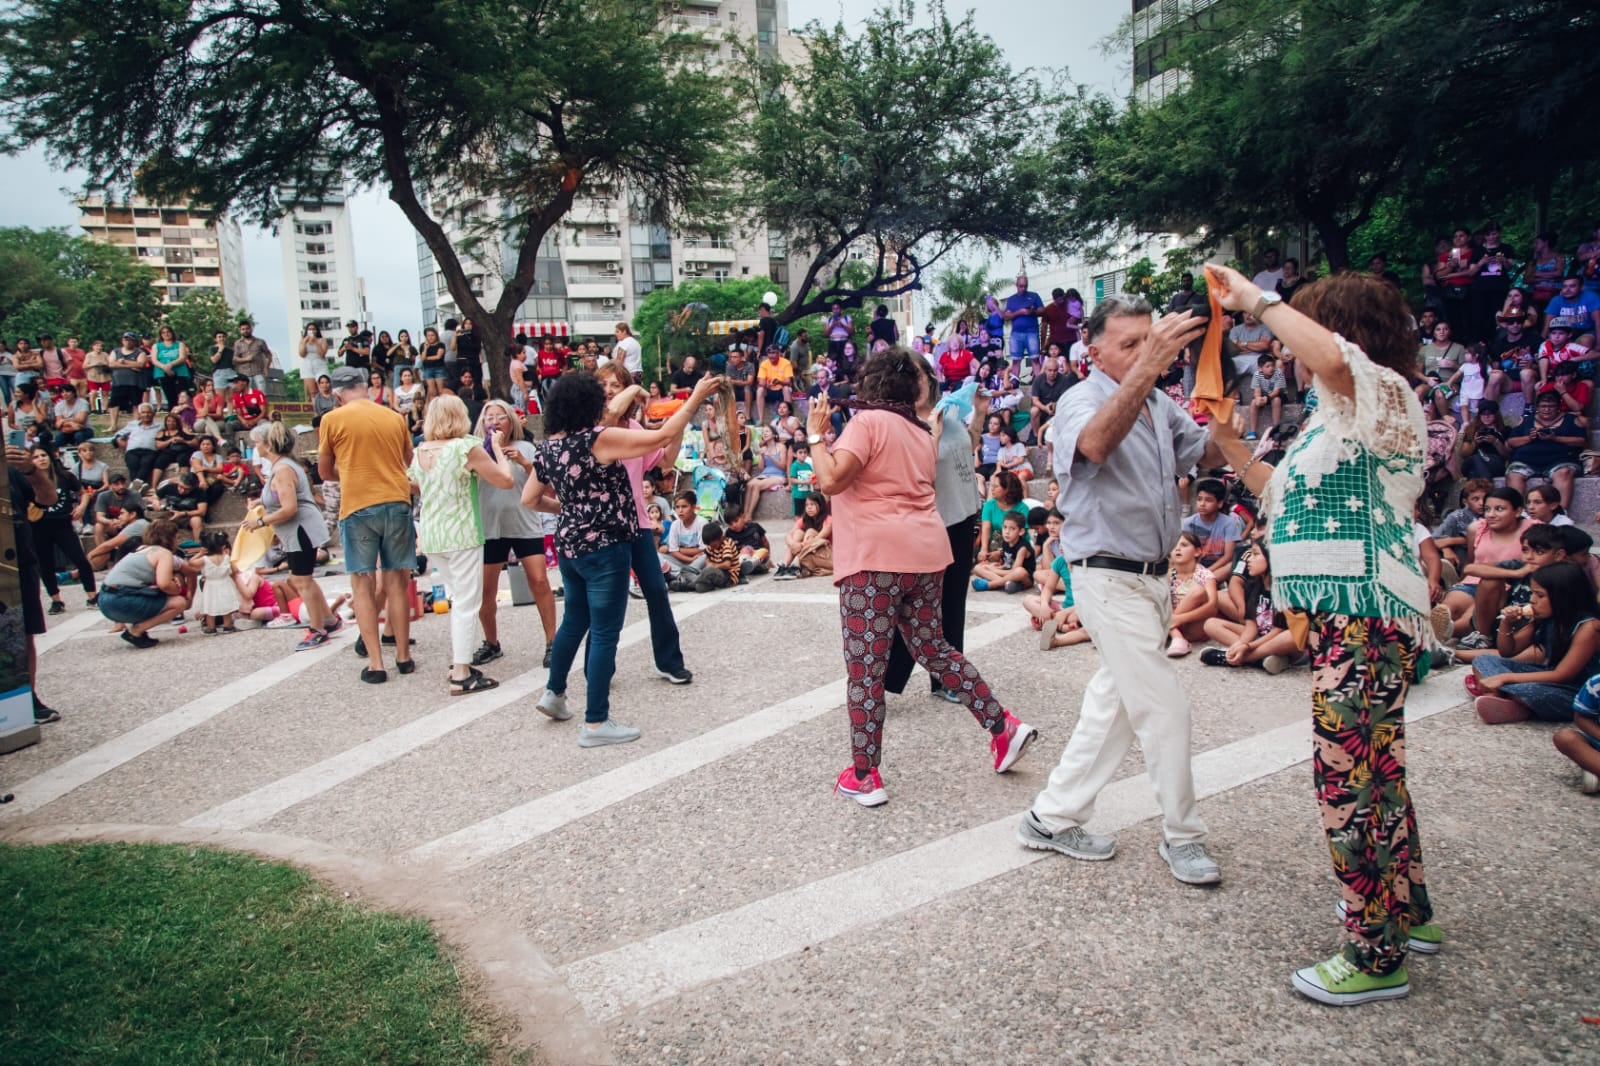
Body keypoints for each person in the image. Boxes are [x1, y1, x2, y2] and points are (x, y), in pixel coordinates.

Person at [1203, 262, 1442, 1006]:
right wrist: (1229, 444)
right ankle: (1408, 911)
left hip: (1367, 613)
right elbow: (1283, 496)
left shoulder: (1382, 392)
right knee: (1378, 772)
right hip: (1351, 613)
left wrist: (1255, 300)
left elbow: (1335, 360)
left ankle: (1375, 956)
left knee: (1347, 779)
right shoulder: (1334, 421)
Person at [1016, 291, 1221, 886]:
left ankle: (1050, 819)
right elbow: (1097, 445)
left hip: (1154, 578)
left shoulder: (1158, 401)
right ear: (1093, 349)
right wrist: (1151, 367)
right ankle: (1183, 834)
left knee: (1114, 706)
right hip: (1105, 576)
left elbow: (1202, 448)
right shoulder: (1079, 401)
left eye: (1148, 340)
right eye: (1130, 344)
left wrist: (1226, 418)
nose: (1143, 354)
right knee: (1164, 707)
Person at [805, 347, 1037, 806]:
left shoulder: (867, 423)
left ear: (870, 382)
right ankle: (1003, 726)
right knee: (935, 648)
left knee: (865, 670)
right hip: (925, 553)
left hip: (875, 560)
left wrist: (816, 437)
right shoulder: (916, 428)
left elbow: (832, 480)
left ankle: (865, 774)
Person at [525, 371, 721, 745]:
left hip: (570, 546)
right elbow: (662, 437)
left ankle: (554, 693)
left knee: (574, 621)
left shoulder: (549, 448)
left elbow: (530, 499)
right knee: (603, 632)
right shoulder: (598, 439)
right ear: (589, 404)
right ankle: (596, 722)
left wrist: (571, 509)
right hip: (606, 545)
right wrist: (693, 398)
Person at [407, 394, 513, 694]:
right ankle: (461, 671)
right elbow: (504, 480)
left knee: (458, 597)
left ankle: (460, 663)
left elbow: (412, 483)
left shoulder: (421, 451)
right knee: (467, 602)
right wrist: (497, 451)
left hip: (432, 532)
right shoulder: (465, 448)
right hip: (462, 532)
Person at [317, 365, 417, 683]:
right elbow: (407, 461)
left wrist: (350, 471)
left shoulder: (332, 420)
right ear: (366, 386)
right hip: (397, 500)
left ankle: (376, 663)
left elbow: (324, 471)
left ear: (335, 393)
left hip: (358, 505)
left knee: (362, 583)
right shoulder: (394, 417)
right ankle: (403, 655)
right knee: (396, 582)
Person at [471, 400, 558, 670]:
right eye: (489, 417)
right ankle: (491, 642)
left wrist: (524, 463)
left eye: (501, 417)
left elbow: (547, 487)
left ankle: (552, 642)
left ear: (512, 421)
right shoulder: (475, 451)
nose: (494, 422)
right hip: (489, 526)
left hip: (524, 524)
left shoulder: (526, 448)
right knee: (487, 590)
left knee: (540, 581)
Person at [248, 421, 340, 652]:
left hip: (300, 530)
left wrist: (260, 521)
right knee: (302, 578)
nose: (255, 447)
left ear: (268, 445)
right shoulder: (284, 466)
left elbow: (289, 507)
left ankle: (318, 629)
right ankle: (328, 619)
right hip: (299, 530)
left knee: (302, 580)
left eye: (257, 443)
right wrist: (261, 503)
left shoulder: (282, 470)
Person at [1470, 562, 1600, 724]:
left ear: (1563, 597)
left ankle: (1506, 697)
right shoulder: (1545, 617)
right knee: (1483, 659)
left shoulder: (1589, 627)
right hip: (1548, 675)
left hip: (1577, 690)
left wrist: (1505, 677)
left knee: (1532, 691)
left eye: (1540, 595)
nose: (1532, 600)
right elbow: (1508, 651)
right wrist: (1506, 623)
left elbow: (1562, 675)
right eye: (1532, 593)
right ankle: (1510, 700)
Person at [98, 518, 191, 648]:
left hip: (105, 600)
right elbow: (164, 584)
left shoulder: (141, 549)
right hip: (120, 601)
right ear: (169, 538)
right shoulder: (163, 553)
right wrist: (179, 590)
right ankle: (136, 631)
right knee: (179, 603)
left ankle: (139, 632)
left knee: (157, 596)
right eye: (176, 538)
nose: (178, 542)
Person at [28, 445, 95, 614]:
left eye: (44, 455)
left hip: (63, 524)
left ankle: (92, 596)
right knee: (45, 565)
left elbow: (84, 493)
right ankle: (56, 600)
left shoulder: (64, 476)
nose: (41, 459)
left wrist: (81, 507)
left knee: (80, 560)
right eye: (36, 457)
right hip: (39, 527)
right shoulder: (28, 480)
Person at [1505, 390, 1585, 509]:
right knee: (1514, 474)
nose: (1547, 409)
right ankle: (1516, 513)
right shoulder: (1527, 420)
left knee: (1564, 473)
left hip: (1561, 460)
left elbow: (1581, 441)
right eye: (1543, 406)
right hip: (1526, 460)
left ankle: (1560, 514)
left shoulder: (1570, 419)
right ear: (1537, 407)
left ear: (1558, 407)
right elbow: (1511, 442)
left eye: (1551, 406)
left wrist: (1555, 438)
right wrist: (1529, 438)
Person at [1002, 275, 1044, 373]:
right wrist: (1020, 312)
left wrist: (1033, 312)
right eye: (1021, 286)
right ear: (1016, 285)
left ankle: (1038, 386)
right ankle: (1015, 384)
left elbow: (1042, 310)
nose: (1023, 288)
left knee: (1035, 359)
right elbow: (1006, 316)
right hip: (1016, 334)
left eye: (1025, 286)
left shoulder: (1034, 296)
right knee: (1016, 360)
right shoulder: (1011, 299)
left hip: (1031, 332)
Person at [107, 332, 147, 432]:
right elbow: (111, 364)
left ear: (134, 341)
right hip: (118, 382)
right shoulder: (115, 351)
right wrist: (131, 365)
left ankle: (137, 425)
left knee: (136, 404)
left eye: (130, 340)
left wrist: (123, 362)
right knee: (114, 404)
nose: (127, 342)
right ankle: (113, 425)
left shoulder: (140, 352)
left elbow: (141, 364)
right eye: (125, 339)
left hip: (134, 383)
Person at [231, 321, 273, 392]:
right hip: (244, 373)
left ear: (251, 329)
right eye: (243, 329)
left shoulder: (260, 342)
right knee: (246, 394)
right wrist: (245, 359)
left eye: (247, 329)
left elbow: (268, 355)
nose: (245, 331)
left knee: (262, 393)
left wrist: (266, 367)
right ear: (240, 331)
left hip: (258, 371)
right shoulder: (238, 343)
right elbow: (234, 358)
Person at [420, 325, 448, 402]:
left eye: (432, 335)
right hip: (428, 369)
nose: (430, 337)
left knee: (441, 391)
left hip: (439, 368)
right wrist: (425, 348)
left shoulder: (441, 345)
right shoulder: (423, 345)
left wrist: (427, 358)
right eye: (428, 335)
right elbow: (422, 358)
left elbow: (438, 356)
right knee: (432, 392)